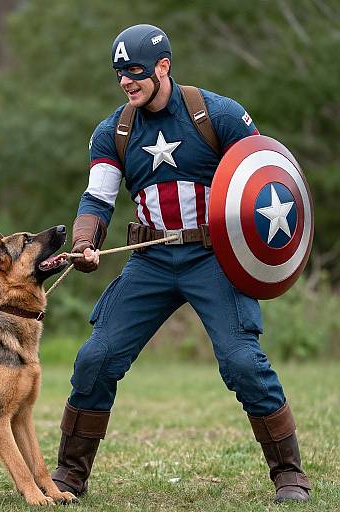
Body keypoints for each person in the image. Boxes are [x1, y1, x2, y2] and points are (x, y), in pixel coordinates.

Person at [51, 24, 311, 503]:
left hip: (213, 259)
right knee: (96, 358)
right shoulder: (114, 132)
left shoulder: (218, 114)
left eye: (135, 71)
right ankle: (69, 476)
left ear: (163, 66)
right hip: (150, 261)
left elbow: (266, 177)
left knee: (241, 362)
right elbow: (97, 199)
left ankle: (289, 475)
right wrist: (85, 241)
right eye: (119, 74)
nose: (127, 81)